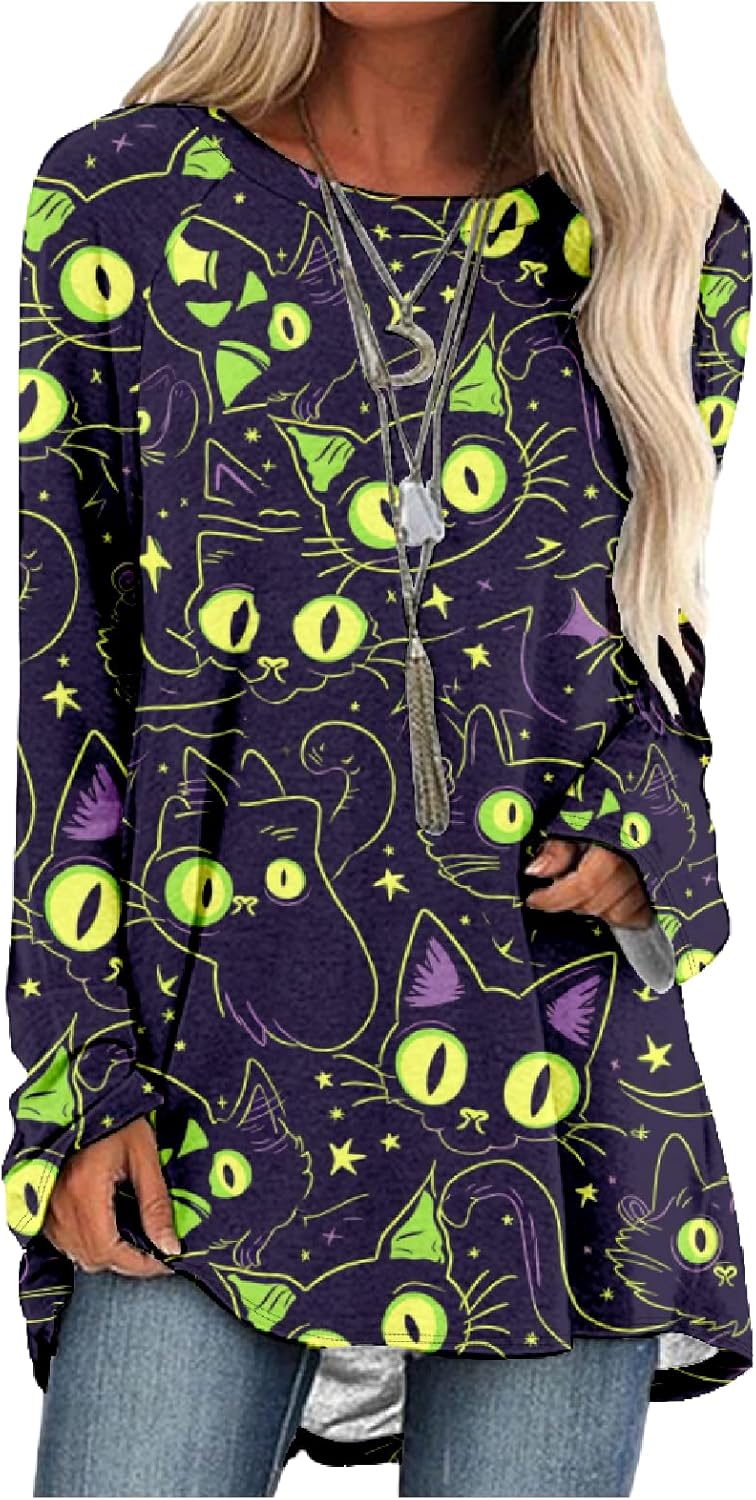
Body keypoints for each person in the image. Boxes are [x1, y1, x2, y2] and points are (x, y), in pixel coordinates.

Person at [4, 1, 752, 1495]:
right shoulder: (127, 202)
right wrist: (79, 1075)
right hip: (211, 1069)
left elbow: (644, 658)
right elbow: (63, 678)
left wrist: (644, 835)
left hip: (554, 1087)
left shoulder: (663, 243)